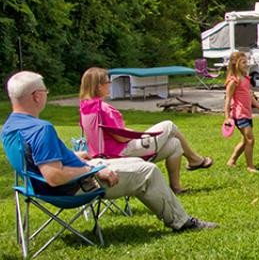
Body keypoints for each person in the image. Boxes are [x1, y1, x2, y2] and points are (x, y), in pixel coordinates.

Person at [2, 71, 217, 231]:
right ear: (37, 96)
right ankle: (182, 222)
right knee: (148, 171)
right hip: (76, 186)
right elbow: (54, 176)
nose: (46, 95)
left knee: (144, 165)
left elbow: (39, 162)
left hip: (40, 187)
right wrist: (93, 171)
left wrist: (73, 156)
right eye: (45, 91)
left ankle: (179, 212)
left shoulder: (10, 127)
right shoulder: (41, 129)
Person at [78, 67, 213, 195]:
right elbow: (121, 138)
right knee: (169, 125)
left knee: (175, 144)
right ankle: (195, 159)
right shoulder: (104, 109)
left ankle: (176, 188)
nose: (110, 84)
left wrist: (132, 133)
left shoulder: (86, 108)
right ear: (99, 86)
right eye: (108, 81)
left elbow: (110, 133)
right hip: (120, 153)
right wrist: (139, 136)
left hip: (102, 155)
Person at [224, 52, 259, 172]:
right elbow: (228, 99)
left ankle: (232, 161)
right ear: (236, 64)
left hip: (247, 113)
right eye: (244, 62)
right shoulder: (233, 81)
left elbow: (250, 97)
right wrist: (227, 117)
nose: (247, 64)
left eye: (247, 62)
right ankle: (250, 167)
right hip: (239, 115)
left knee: (245, 140)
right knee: (250, 139)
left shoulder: (245, 78)